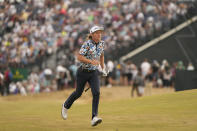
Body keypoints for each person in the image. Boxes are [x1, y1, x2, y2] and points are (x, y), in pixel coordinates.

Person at [61, 25, 107, 126]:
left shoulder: (102, 44)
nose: (99, 34)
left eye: (100, 33)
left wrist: (103, 68)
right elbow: (79, 57)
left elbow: (102, 55)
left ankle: (94, 117)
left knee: (96, 92)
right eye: (97, 33)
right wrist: (91, 61)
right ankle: (65, 105)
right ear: (92, 34)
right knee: (78, 93)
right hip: (83, 72)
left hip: (93, 73)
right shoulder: (87, 44)